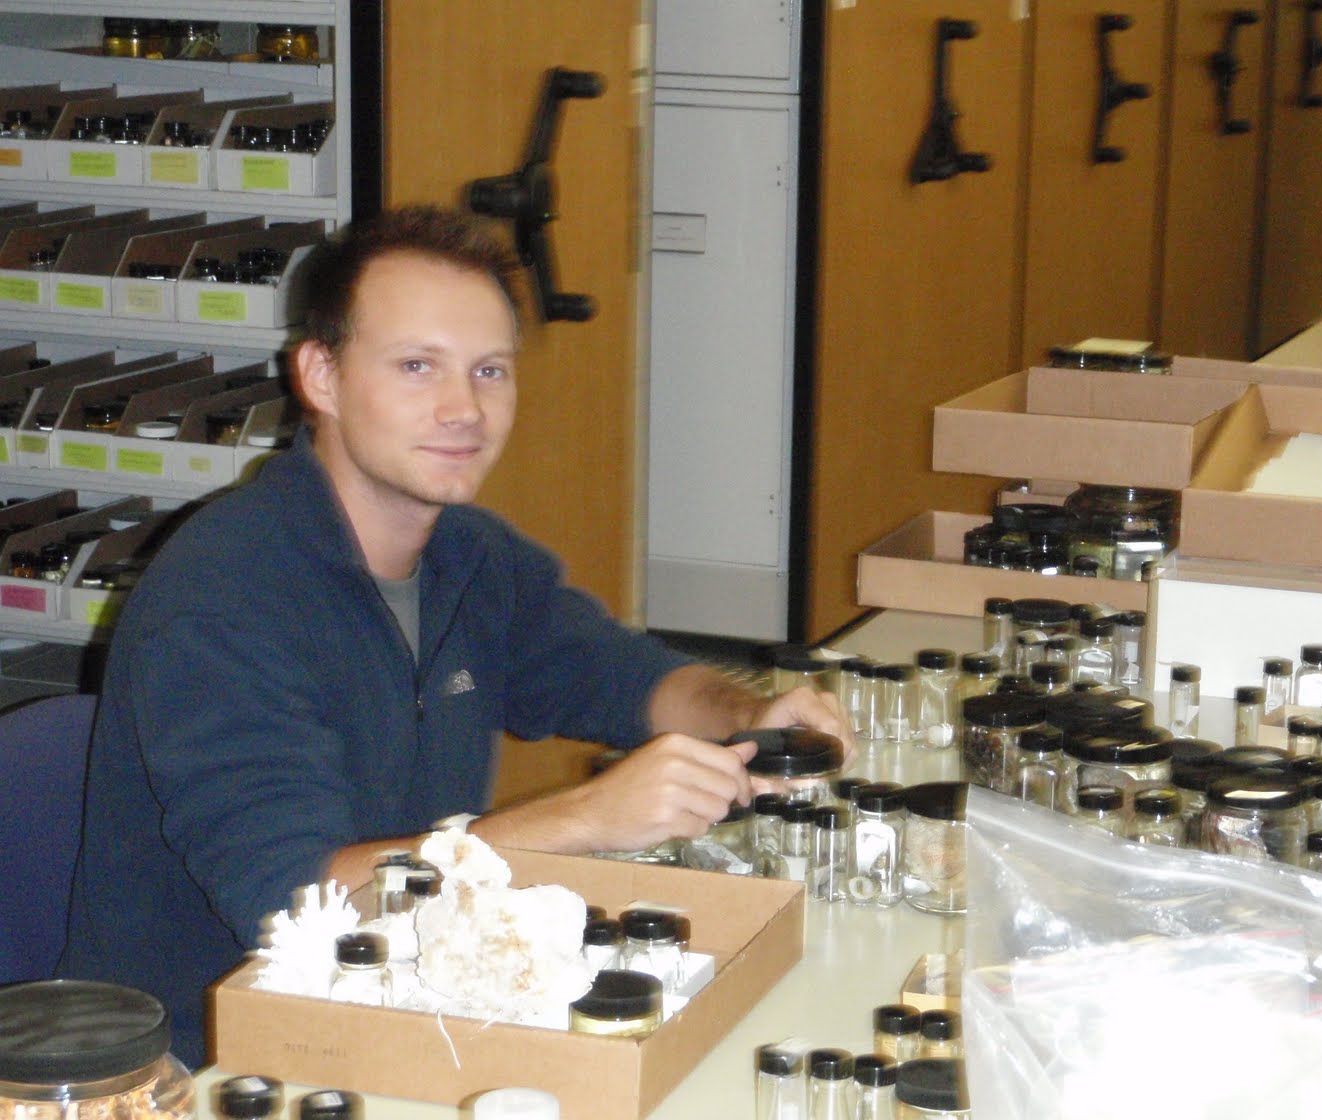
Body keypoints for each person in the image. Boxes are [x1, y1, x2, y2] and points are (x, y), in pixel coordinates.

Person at [60, 206, 849, 1065]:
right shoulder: (223, 596)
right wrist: (587, 815)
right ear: (320, 376)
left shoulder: (471, 558)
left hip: (406, 994)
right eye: (415, 367)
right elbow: (295, 903)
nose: (463, 408)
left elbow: (630, 677)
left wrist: (753, 712)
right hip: (215, 1055)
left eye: (489, 371)